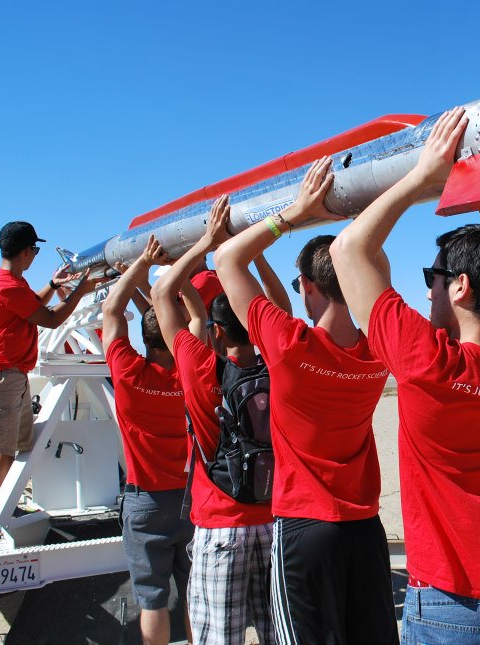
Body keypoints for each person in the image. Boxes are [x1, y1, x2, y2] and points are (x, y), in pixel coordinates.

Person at [330, 108, 480, 644]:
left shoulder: (427, 362)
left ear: (458, 288)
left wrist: (423, 175)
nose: (426, 292)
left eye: (432, 280)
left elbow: (347, 249)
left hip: (451, 605)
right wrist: (478, 188)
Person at [214, 158, 398, 644]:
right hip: (364, 528)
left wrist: (291, 213)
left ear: (310, 289)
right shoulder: (378, 350)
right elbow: (375, 269)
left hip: (304, 527)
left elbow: (225, 260)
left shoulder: (289, 345)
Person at [151, 199, 290, 645]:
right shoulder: (278, 362)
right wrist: (253, 255)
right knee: (276, 636)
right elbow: (280, 305)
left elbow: (160, 294)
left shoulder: (200, 367)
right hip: (271, 521)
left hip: (220, 528)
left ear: (215, 333)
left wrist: (206, 244)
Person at [0, 222, 95, 540]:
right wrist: (80, 293)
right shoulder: (10, 286)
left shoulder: (10, 281)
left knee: (7, 445)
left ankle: (4, 503)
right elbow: (53, 319)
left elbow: (32, 306)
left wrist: (54, 286)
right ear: (27, 251)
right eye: (35, 250)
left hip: (10, 375)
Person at [102, 235, 194, 645]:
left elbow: (111, 310)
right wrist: (158, 278)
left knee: (153, 600)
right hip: (190, 499)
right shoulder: (189, 374)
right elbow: (190, 319)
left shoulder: (128, 373)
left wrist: (139, 265)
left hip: (145, 502)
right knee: (196, 593)